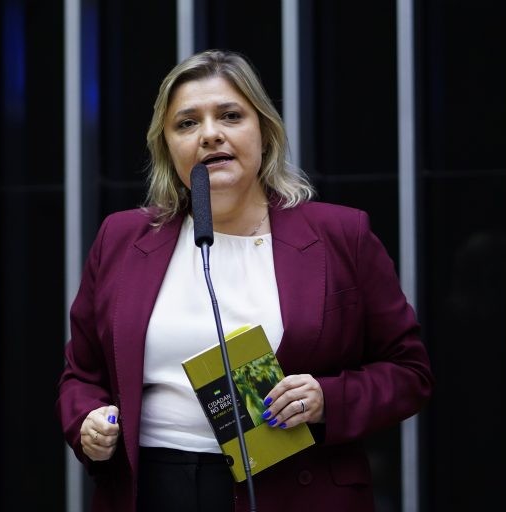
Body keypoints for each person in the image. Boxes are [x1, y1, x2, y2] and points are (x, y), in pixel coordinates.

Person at [56, 49, 434, 512]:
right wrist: (87, 422)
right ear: (167, 145)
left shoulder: (341, 235)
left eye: (230, 116)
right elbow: (81, 375)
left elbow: (409, 373)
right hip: (151, 489)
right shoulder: (122, 237)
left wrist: (326, 398)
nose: (210, 134)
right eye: (187, 123)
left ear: (264, 132)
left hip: (293, 489)